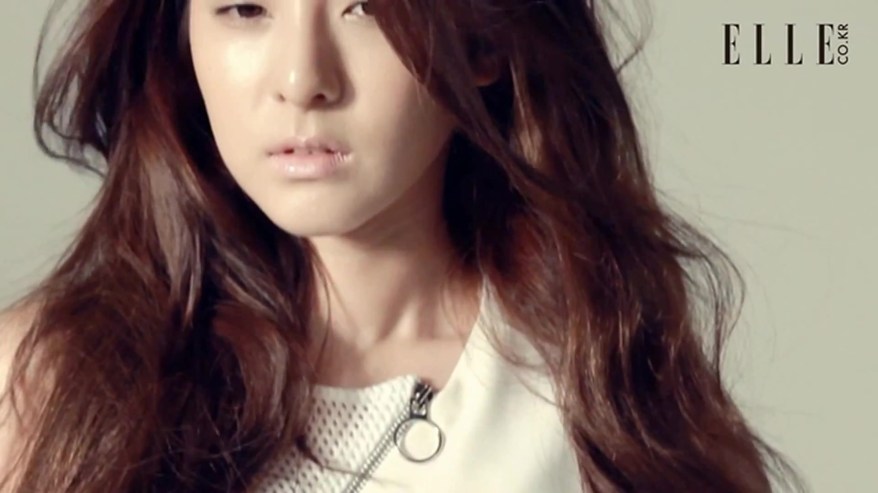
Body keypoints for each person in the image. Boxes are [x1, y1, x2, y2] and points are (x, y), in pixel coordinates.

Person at [0, 0, 807, 492]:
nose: (302, 80)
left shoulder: (611, 404)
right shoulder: (43, 381)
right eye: (245, 8)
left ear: (484, 43)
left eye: (369, 9)